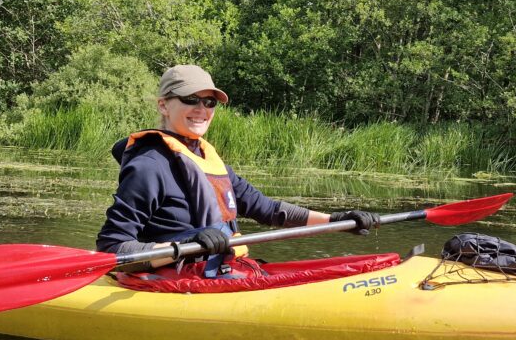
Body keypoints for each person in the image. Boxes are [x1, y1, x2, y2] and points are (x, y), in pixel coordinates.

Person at [96, 64, 380, 278]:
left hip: (218, 273)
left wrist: (337, 219)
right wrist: (185, 244)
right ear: (163, 105)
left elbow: (269, 210)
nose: (201, 109)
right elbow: (112, 248)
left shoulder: (208, 161)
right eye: (190, 99)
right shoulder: (149, 165)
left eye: (209, 102)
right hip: (172, 281)